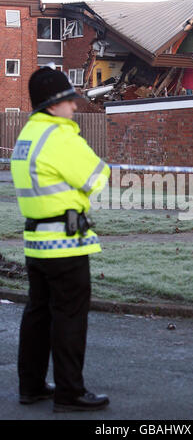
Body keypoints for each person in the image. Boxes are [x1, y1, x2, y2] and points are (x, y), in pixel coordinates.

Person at [10, 64, 111, 413]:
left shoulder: (27, 136)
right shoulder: (61, 136)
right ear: (53, 105)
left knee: (38, 312)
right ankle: (70, 392)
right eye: (69, 100)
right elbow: (98, 178)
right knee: (69, 315)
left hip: (36, 241)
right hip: (65, 243)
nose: (75, 107)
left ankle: (32, 385)